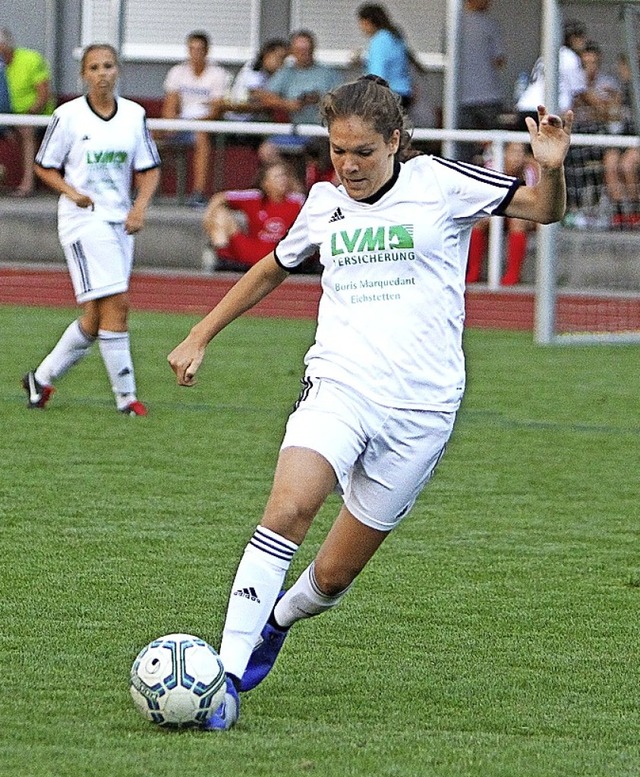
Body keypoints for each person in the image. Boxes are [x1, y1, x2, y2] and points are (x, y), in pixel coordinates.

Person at [167, 74, 572, 731]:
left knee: (330, 576)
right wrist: (199, 332)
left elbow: (542, 211)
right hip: (341, 381)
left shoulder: (439, 183)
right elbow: (273, 265)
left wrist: (549, 171)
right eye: (337, 152)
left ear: (393, 141)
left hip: (422, 409)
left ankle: (278, 619)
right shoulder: (324, 203)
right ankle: (226, 675)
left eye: (363, 152)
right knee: (290, 505)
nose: (349, 166)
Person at [23, 44, 160, 416]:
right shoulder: (68, 116)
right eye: (95, 67)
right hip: (83, 221)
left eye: (109, 66)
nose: (103, 73)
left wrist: (139, 208)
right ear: (84, 74)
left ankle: (41, 378)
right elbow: (44, 166)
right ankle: (127, 400)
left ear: (118, 71)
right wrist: (73, 192)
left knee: (95, 317)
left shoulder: (134, 114)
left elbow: (149, 169)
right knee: (118, 305)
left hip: (121, 222)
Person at [160, 31, 231, 207]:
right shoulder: (177, 71)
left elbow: (216, 110)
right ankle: (143, 190)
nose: (195, 53)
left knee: (201, 136)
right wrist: (170, 123)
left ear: (207, 51)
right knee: (148, 134)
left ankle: (198, 193)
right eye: (192, 49)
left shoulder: (217, 73)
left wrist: (194, 123)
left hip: (204, 125)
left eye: (199, 49)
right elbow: (170, 104)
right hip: (181, 123)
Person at [256, 30, 342, 169]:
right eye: (299, 50)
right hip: (295, 130)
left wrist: (321, 101)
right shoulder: (286, 72)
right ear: (292, 51)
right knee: (267, 151)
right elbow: (264, 96)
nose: (303, 54)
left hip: (323, 131)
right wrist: (288, 104)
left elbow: (343, 100)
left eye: (307, 50)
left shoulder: (328, 73)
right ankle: (294, 185)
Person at [202, 161, 305, 271]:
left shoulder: (297, 201)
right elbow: (220, 197)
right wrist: (208, 217)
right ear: (265, 183)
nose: (282, 180)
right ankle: (223, 258)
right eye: (277, 177)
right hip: (253, 252)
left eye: (284, 176)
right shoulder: (255, 197)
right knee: (220, 214)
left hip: (282, 255)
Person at [466, 142, 540, 285]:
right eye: (513, 152)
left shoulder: (529, 171)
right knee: (478, 221)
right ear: (504, 153)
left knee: (517, 222)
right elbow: (483, 199)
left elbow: (532, 202)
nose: (517, 157)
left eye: (520, 153)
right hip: (495, 212)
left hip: (520, 214)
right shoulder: (491, 168)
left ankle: (513, 275)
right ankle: (473, 272)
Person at [0, 27, 53, 197]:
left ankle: (27, 184)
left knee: (26, 130)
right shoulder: (1, 66)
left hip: (35, 115)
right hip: (8, 116)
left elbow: (43, 95)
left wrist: (29, 115)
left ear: (5, 46)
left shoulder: (30, 59)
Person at [457, 0, 506, 163]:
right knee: (496, 146)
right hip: (489, 95)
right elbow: (499, 60)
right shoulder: (490, 25)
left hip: (462, 96)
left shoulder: (454, 23)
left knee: (463, 148)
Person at [355, 3, 416, 109]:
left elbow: (377, 73)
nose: (361, 28)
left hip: (388, 94)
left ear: (368, 21)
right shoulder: (394, 36)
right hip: (403, 92)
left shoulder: (379, 40)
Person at [222, 39, 288, 122]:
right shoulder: (253, 69)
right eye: (279, 58)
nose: (281, 63)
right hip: (239, 120)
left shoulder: (273, 74)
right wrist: (287, 103)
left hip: (257, 119)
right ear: (267, 55)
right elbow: (257, 94)